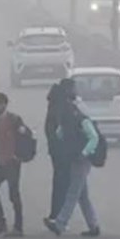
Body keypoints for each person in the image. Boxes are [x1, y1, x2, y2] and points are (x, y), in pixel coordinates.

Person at [45, 83, 101, 237]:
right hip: (74, 158)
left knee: (72, 193)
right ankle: (93, 225)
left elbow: (94, 137)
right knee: (82, 196)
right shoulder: (70, 119)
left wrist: (84, 152)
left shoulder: (81, 119)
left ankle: (60, 223)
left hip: (81, 160)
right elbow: (60, 133)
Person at [0, 92, 25, 237]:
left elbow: (24, 137)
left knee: (13, 194)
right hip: (1, 161)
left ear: (4, 104)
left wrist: (19, 155)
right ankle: (1, 222)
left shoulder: (14, 119)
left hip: (12, 162)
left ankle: (18, 227)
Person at [45, 82, 70, 221]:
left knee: (59, 184)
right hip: (61, 153)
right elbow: (60, 129)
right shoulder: (60, 107)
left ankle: (56, 214)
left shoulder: (52, 106)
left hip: (55, 151)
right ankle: (59, 217)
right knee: (65, 185)